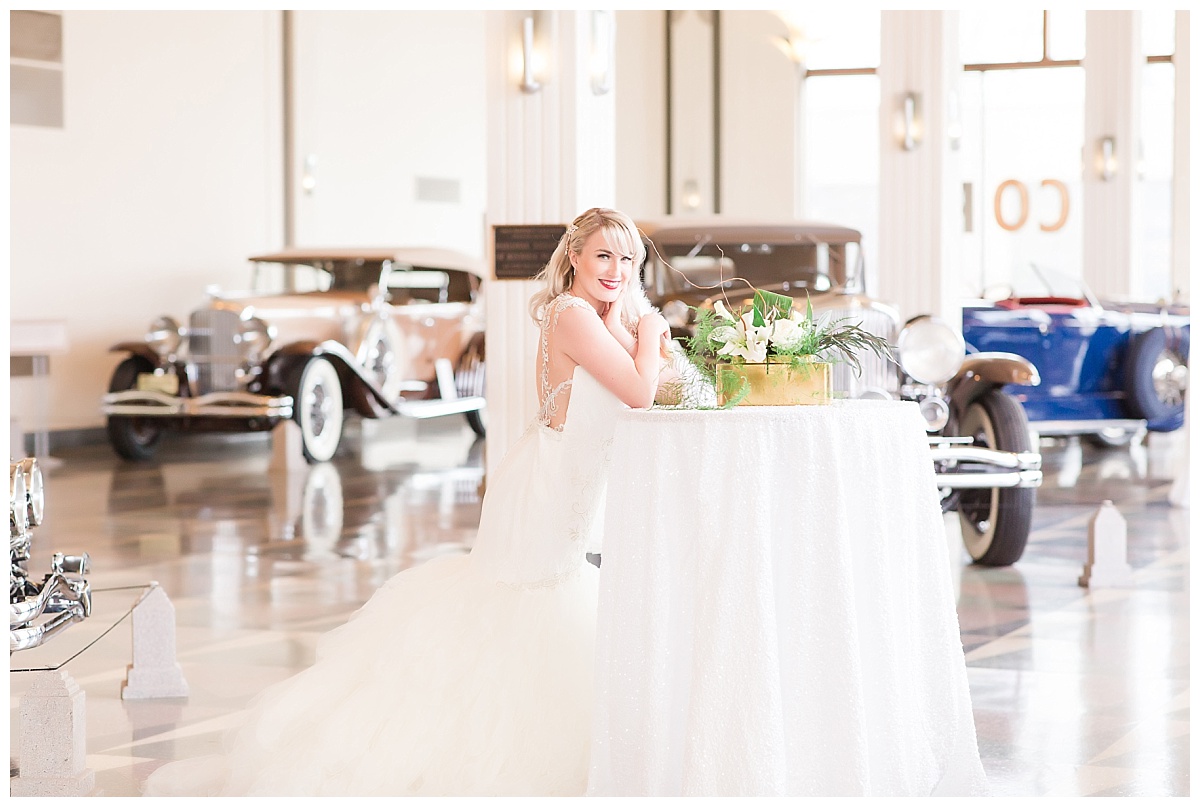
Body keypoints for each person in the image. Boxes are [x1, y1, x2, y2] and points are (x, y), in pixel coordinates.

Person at [143, 207, 671, 797]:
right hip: (547, 488)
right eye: (604, 254)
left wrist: (638, 326)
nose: (617, 269)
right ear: (574, 257)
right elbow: (639, 390)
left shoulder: (596, 316)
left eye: (628, 259)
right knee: (530, 608)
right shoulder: (572, 314)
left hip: (564, 482)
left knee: (543, 605)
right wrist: (651, 332)